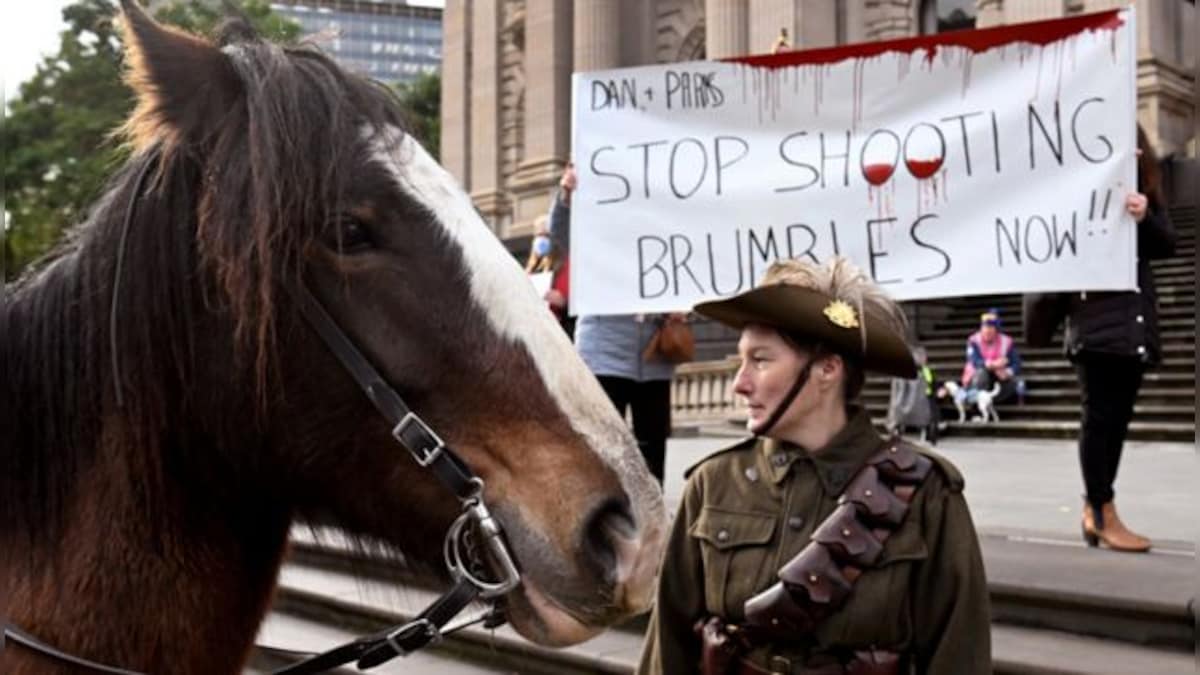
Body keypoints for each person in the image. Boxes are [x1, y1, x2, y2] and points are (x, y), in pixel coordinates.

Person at [639, 257, 991, 675]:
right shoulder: (714, 484)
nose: (740, 383)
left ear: (827, 369)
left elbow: (959, 656)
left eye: (761, 360)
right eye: (740, 361)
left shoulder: (924, 493)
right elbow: (668, 648)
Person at [1024, 125, 1176, 553]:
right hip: (1095, 323)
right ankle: (1100, 508)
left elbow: (1169, 244)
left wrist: (1145, 215)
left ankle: (1097, 508)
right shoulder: (1078, 187)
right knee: (1100, 419)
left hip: (1133, 324)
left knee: (1117, 421)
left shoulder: (1144, 192)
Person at [547, 162, 676, 483]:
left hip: (654, 354)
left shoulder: (659, 231)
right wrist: (566, 194)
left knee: (652, 444)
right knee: (602, 443)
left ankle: (652, 513)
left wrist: (681, 307)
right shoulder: (595, 230)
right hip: (603, 351)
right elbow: (561, 232)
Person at [525, 215, 574, 337]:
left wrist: (565, 304)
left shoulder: (569, 266)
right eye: (538, 235)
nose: (542, 240)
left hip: (563, 333)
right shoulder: (531, 269)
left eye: (546, 235)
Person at [960, 308, 1022, 404]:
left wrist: (1007, 372)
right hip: (976, 378)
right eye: (985, 330)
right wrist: (992, 364)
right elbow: (975, 361)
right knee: (982, 374)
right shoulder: (973, 340)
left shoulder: (1007, 341)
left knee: (1016, 383)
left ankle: (992, 402)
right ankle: (976, 408)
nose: (987, 333)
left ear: (996, 330)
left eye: (990, 331)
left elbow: (1016, 363)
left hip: (998, 377)